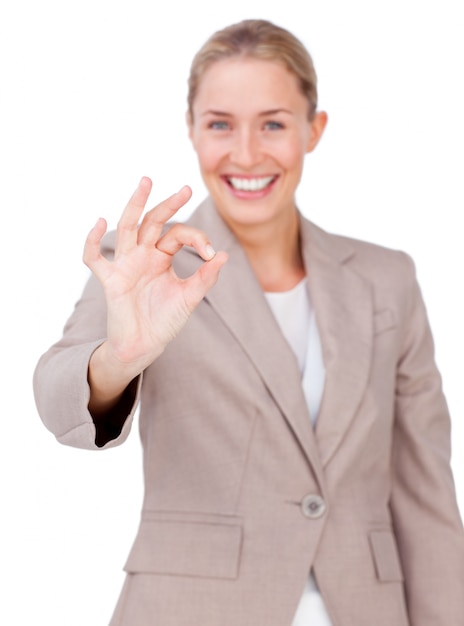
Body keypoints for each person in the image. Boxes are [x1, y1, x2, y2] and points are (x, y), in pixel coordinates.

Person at [33, 18, 464, 626]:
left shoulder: (386, 279)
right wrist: (119, 358)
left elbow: (428, 497)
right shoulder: (144, 270)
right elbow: (57, 402)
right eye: (219, 125)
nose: (246, 154)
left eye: (273, 124)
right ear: (191, 129)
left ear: (314, 130)